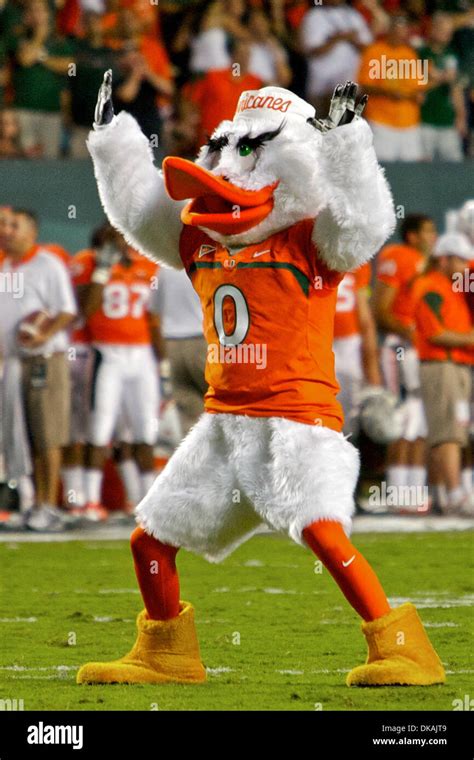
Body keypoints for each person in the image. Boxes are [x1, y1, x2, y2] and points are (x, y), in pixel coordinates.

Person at [77, 76, 444, 689]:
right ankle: (166, 652)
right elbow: (142, 217)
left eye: (250, 153)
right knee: (149, 538)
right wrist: (114, 142)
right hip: (225, 421)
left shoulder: (308, 242)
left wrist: (347, 144)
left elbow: (361, 224)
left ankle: (404, 647)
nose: (227, 170)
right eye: (222, 152)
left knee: (322, 531)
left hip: (297, 417)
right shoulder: (202, 241)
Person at [72, 225, 160, 521]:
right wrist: (102, 269)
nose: (122, 243)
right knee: (99, 430)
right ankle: (89, 501)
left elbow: (153, 319)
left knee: (145, 431)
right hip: (106, 354)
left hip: (142, 356)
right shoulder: (88, 262)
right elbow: (87, 309)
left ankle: (148, 502)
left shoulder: (146, 265)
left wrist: (164, 366)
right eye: (114, 239)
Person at [0, 208, 77, 531]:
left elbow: (66, 310)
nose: (6, 231)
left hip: (45, 360)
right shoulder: (5, 267)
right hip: (14, 362)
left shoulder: (48, 264)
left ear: (32, 231)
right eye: (4, 226)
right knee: (23, 437)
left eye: (13, 225)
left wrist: (42, 333)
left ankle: (48, 505)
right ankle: (31, 504)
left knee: (48, 434)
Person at [373, 214, 437, 511]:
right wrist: (411, 330)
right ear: (412, 236)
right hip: (400, 348)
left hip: (421, 351)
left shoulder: (429, 266)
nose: (433, 236)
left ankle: (412, 491)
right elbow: (381, 310)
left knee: (419, 421)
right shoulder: (400, 257)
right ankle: (397, 492)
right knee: (400, 419)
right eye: (428, 231)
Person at [411, 232, 474, 513]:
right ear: (444, 259)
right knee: (448, 434)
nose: (464, 268)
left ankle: (444, 496)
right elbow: (435, 333)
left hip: (454, 366)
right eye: (460, 261)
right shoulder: (430, 288)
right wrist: (471, 338)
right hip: (440, 365)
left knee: (450, 432)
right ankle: (456, 493)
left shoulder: (450, 289)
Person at [11, 0, 74, 158]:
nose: (37, 15)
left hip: (52, 110)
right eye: (33, 11)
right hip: (25, 109)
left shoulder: (59, 41)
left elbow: (71, 67)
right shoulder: (20, 36)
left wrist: (41, 57)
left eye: (40, 11)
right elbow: (25, 59)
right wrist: (40, 35)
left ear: (48, 14)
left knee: (50, 161)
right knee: (25, 160)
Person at [358, 13, 425, 161]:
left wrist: (419, 95)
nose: (400, 36)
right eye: (397, 31)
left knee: (411, 170)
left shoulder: (410, 54)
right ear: (389, 30)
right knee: (383, 169)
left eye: (403, 32)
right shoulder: (374, 51)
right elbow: (364, 86)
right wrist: (388, 93)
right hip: (381, 121)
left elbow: (419, 86)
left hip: (409, 122)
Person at [148, 266, 207, 437]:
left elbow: (154, 313)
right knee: (221, 405)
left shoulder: (164, 270)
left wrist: (162, 357)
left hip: (172, 345)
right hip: (201, 342)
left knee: (189, 417)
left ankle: (196, 461)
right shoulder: (206, 262)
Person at [182, 35, 263, 150]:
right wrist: (187, 123)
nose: (245, 58)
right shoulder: (213, 76)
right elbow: (189, 99)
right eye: (242, 54)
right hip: (209, 145)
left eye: (248, 54)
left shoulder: (256, 83)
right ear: (233, 54)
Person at [333, 262, 381, 436]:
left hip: (337, 340)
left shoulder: (359, 264)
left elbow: (364, 319)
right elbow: (365, 320)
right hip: (339, 342)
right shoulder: (356, 259)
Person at [300, 0, 372, 115]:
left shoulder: (353, 14)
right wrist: (337, 38)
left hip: (350, 86)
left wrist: (352, 39)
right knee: (320, 126)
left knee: (350, 128)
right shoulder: (314, 15)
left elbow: (368, 48)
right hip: (322, 87)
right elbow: (311, 50)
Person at [419, 12, 466, 161]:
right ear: (433, 30)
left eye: (449, 32)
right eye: (443, 31)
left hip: (447, 120)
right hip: (425, 119)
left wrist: (461, 116)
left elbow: (456, 88)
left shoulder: (451, 54)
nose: (447, 35)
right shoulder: (420, 53)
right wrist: (441, 78)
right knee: (424, 165)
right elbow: (418, 84)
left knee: (453, 164)